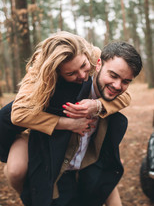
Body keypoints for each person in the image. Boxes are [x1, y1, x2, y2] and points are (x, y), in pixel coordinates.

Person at [0, 34, 141, 205]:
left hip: (74, 146)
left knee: (99, 178)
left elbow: (124, 96)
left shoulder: (94, 56)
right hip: (27, 127)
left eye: (83, 66)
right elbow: (18, 115)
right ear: (56, 71)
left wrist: (97, 105)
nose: (82, 75)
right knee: (17, 171)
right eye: (71, 73)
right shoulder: (40, 72)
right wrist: (68, 124)